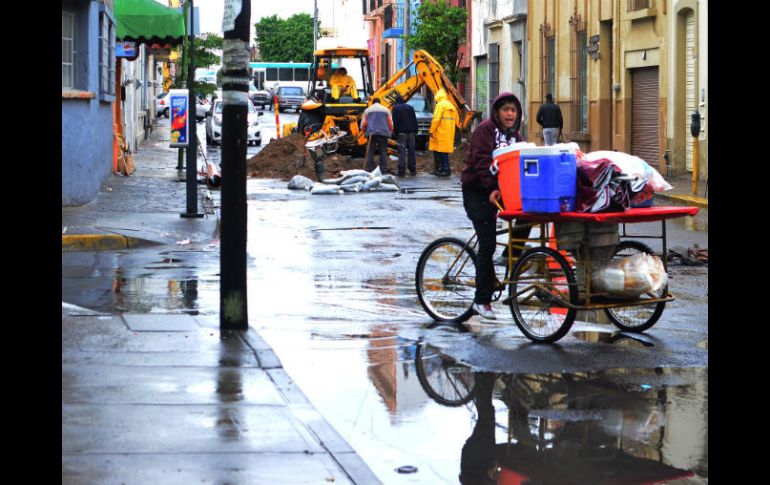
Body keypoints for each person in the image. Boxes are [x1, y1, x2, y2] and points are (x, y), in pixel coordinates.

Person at [460, 91, 530, 320]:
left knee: (528, 215)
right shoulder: (485, 130)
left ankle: (509, 257)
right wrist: (491, 187)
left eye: (513, 110)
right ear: (497, 112)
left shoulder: (516, 136)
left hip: (502, 192)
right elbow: (481, 161)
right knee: (487, 244)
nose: (510, 114)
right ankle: (482, 301)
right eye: (505, 110)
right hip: (478, 191)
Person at [361, 97, 394, 173]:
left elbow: (363, 124)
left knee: (370, 152)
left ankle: (371, 169)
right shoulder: (385, 110)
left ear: (372, 103)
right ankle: (383, 169)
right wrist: (390, 132)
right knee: (383, 152)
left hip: (371, 134)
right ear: (380, 102)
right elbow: (390, 123)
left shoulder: (367, 110)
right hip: (383, 134)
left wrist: (365, 132)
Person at [429, 89, 457, 177]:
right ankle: (441, 169)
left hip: (440, 132)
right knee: (443, 152)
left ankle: (445, 170)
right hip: (449, 132)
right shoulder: (451, 105)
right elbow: (457, 119)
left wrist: (431, 130)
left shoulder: (440, 105)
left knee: (442, 152)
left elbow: (436, 119)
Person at [391, 93, 418, 177]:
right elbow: (414, 120)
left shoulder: (395, 108)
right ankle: (412, 170)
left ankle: (401, 171)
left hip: (402, 133)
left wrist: (395, 133)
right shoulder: (410, 108)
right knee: (411, 151)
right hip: (411, 133)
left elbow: (395, 122)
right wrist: (416, 130)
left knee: (402, 151)